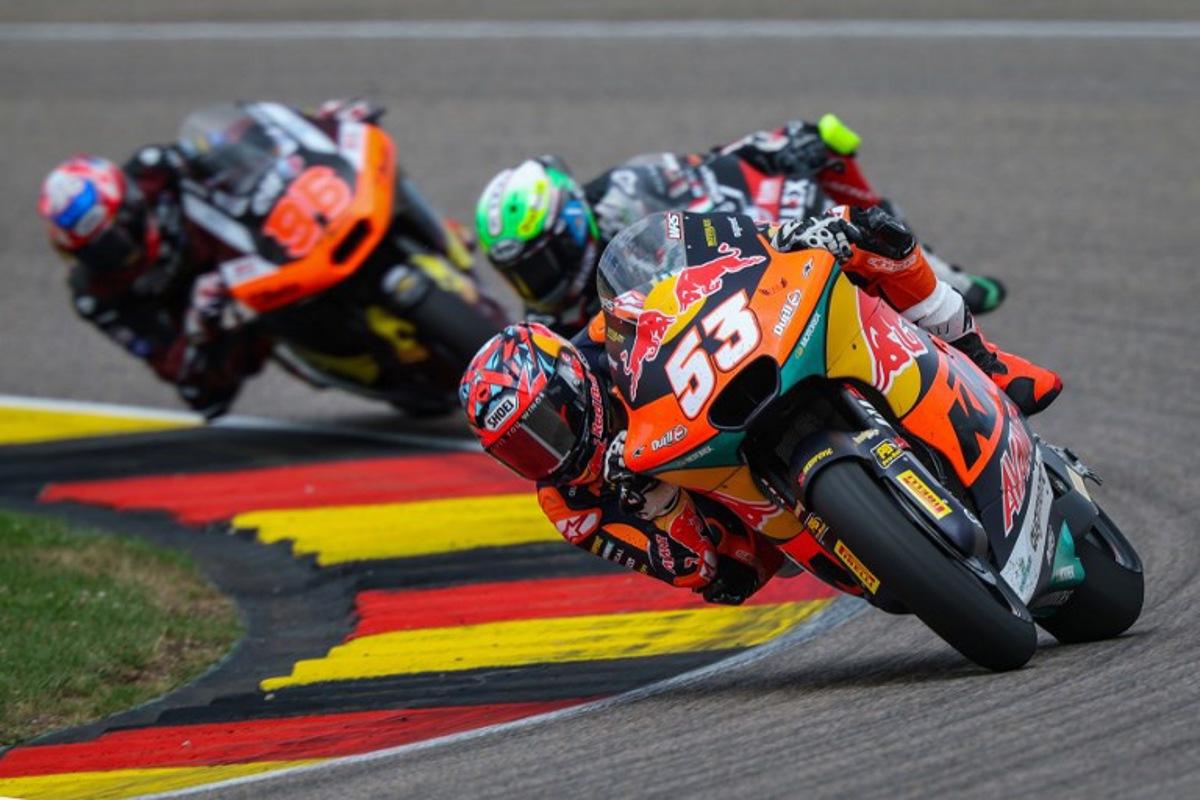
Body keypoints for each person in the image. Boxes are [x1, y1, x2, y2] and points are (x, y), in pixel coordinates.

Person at [460, 206, 1059, 603]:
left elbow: (699, 275)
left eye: (540, 429)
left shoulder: (604, 338)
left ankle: (978, 352)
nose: (544, 453)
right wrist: (657, 500)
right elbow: (697, 571)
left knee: (867, 231)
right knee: (732, 572)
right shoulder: (570, 503)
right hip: (731, 516)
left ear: (567, 377)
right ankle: (868, 534)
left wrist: (780, 242)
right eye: (520, 451)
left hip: (732, 390)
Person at [474, 114, 1006, 337]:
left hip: (756, 264)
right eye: (520, 273)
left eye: (540, 261)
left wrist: (779, 145)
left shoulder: (626, 190)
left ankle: (934, 274)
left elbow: (713, 168)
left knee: (824, 142)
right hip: (707, 358)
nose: (536, 283)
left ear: (568, 222)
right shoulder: (548, 325)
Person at [35, 99, 379, 418]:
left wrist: (318, 126)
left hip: (254, 240)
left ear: (131, 206)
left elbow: (240, 142)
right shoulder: (96, 296)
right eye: (97, 253)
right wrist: (197, 327)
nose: (119, 257)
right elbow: (173, 367)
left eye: (114, 242)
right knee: (205, 399)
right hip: (227, 315)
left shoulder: (155, 169)